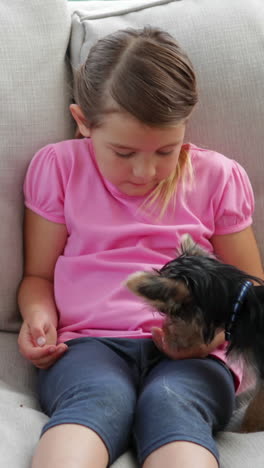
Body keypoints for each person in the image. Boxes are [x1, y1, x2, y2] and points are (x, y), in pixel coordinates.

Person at [17, 27, 263, 468]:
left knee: (174, 404)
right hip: (89, 345)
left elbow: (251, 292)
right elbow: (38, 276)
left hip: (196, 352)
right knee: (95, 401)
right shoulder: (59, 168)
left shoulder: (219, 177)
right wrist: (38, 319)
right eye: (124, 152)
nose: (145, 170)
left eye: (166, 150)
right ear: (82, 121)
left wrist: (209, 339)